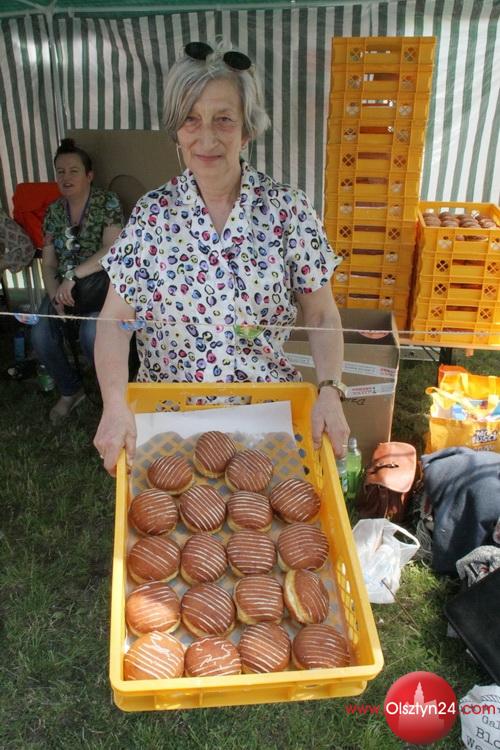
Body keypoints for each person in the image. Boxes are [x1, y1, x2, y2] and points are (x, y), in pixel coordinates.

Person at [94, 41, 349, 475]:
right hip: (169, 420)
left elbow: (322, 313)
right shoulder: (153, 215)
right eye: (191, 119)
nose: (207, 138)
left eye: (224, 119)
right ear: (176, 129)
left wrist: (329, 389)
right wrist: (114, 403)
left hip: (265, 419)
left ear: (247, 129)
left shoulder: (287, 210)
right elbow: (115, 320)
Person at [32, 138, 123, 424]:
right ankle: (71, 390)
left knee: (91, 333)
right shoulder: (53, 211)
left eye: (73, 171)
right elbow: (48, 262)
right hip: (63, 289)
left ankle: (111, 396)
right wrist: (55, 295)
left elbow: (111, 248)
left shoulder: (107, 201)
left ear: (89, 175)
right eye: (60, 172)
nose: (66, 177)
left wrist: (73, 276)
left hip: (99, 289)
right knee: (41, 333)